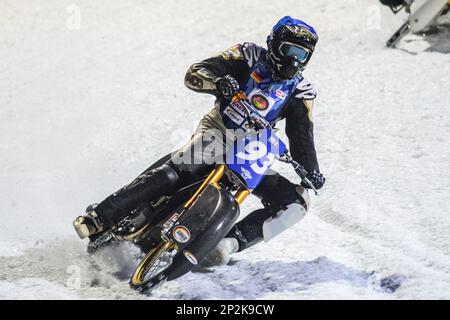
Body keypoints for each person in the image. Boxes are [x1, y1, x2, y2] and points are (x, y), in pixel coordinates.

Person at [73, 16, 325, 266]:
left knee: (297, 202)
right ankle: (100, 217)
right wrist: (218, 83)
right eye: (289, 50)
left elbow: (302, 135)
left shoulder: (302, 92)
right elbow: (194, 73)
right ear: (273, 45)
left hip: (251, 152)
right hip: (217, 132)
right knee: (176, 171)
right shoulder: (247, 55)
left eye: (301, 55)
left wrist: (311, 171)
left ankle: (225, 244)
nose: (293, 60)